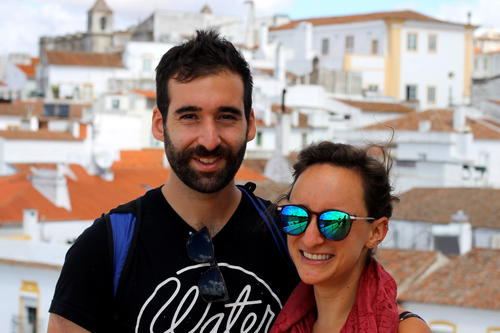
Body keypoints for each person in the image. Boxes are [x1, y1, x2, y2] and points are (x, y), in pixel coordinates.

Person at [48, 30, 298, 333]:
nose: (209, 140)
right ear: (158, 124)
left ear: (251, 124)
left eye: (226, 117)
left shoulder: (289, 241)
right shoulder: (104, 248)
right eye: (190, 116)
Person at [270, 142, 431, 333]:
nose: (310, 239)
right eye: (296, 216)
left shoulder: (406, 330)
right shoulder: (273, 315)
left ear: (376, 232)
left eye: (335, 222)